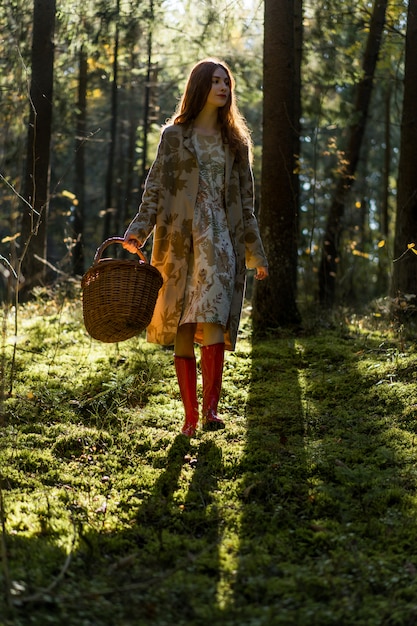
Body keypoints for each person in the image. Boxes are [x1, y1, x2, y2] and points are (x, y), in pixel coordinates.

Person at [123, 58, 268, 437]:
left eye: (226, 82)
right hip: (179, 240)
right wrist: (139, 229)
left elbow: (247, 204)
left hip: (222, 240)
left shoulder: (236, 143)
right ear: (200, 87)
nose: (223, 87)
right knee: (184, 322)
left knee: (214, 316)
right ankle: (189, 418)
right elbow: (154, 189)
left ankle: (211, 411)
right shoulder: (175, 136)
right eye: (216, 81)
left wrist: (256, 252)